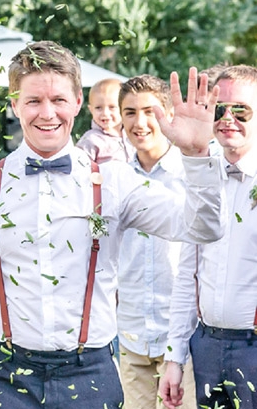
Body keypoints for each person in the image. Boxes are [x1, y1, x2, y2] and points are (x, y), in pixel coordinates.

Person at [0, 40, 224, 408]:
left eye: (59, 100)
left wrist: (197, 156)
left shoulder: (115, 182)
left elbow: (203, 229)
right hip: (2, 376)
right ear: (15, 104)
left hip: (90, 375)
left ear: (78, 103)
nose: (47, 113)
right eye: (34, 101)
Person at [159, 64, 257, 409]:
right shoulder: (201, 177)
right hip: (207, 345)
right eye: (219, 109)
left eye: (241, 109)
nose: (228, 118)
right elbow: (187, 274)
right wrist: (174, 357)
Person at [115, 74, 196, 409]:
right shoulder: (112, 179)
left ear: (168, 115)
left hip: (182, 337)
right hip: (130, 335)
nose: (140, 122)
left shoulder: (192, 175)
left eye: (150, 111)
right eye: (130, 112)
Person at [76, 78, 135, 163]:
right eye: (98, 108)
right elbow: (79, 168)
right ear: (91, 109)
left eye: (112, 107)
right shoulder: (91, 139)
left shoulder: (131, 135)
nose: (105, 113)